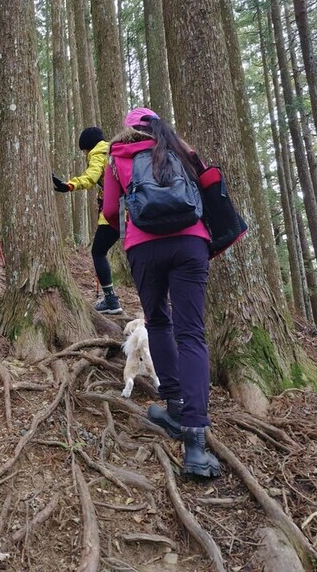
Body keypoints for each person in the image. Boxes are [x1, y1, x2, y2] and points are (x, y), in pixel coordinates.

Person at [102, 107, 221, 479]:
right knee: (192, 334)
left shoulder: (117, 155)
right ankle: (196, 441)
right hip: (191, 244)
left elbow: (108, 211)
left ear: (128, 128)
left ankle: (172, 404)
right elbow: (210, 186)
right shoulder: (181, 149)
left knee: (158, 321)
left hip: (144, 248)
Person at [53, 126, 123, 315]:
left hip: (117, 211)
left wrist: (70, 185)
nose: (85, 153)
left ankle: (110, 300)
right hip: (133, 209)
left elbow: (91, 177)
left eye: (84, 150)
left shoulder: (98, 153)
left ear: (88, 147)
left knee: (98, 252)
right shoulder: (115, 150)